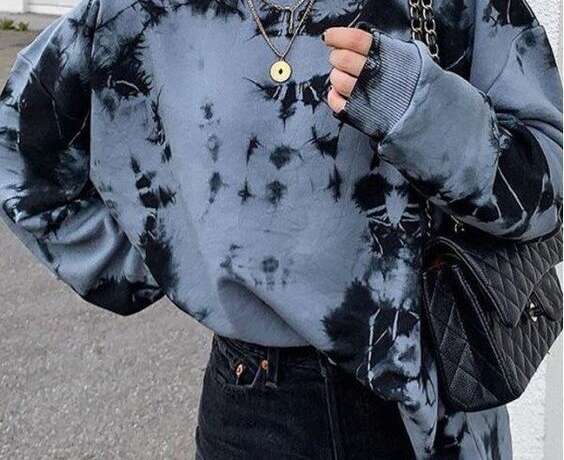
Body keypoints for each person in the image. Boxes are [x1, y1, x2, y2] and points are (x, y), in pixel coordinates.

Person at [0, 0, 561, 458]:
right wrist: (164, 257)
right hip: (255, 409)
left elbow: (551, 181)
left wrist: (418, 108)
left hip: (439, 401)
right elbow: (16, 146)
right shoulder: (144, 10)